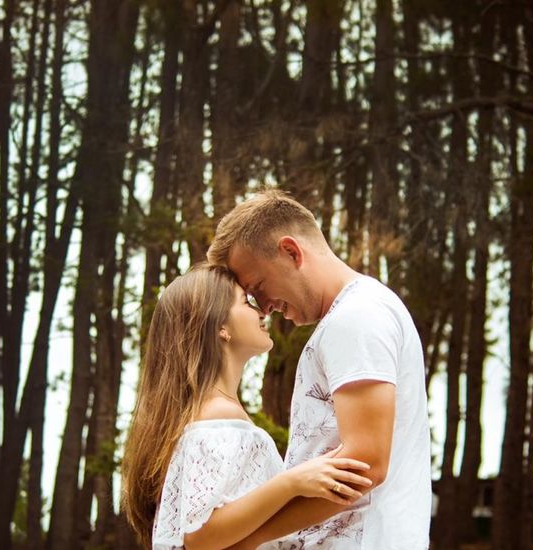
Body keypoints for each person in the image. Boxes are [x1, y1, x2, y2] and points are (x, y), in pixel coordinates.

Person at [207, 190, 432, 549]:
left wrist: (246, 537)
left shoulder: (356, 317)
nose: (262, 307)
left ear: (291, 252)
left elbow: (365, 464)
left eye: (258, 287)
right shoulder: (353, 314)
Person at [121, 264, 373, 549]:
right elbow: (200, 535)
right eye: (246, 302)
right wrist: (293, 482)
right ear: (221, 328)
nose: (263, 311)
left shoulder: (211, 414)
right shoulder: (218, 417)